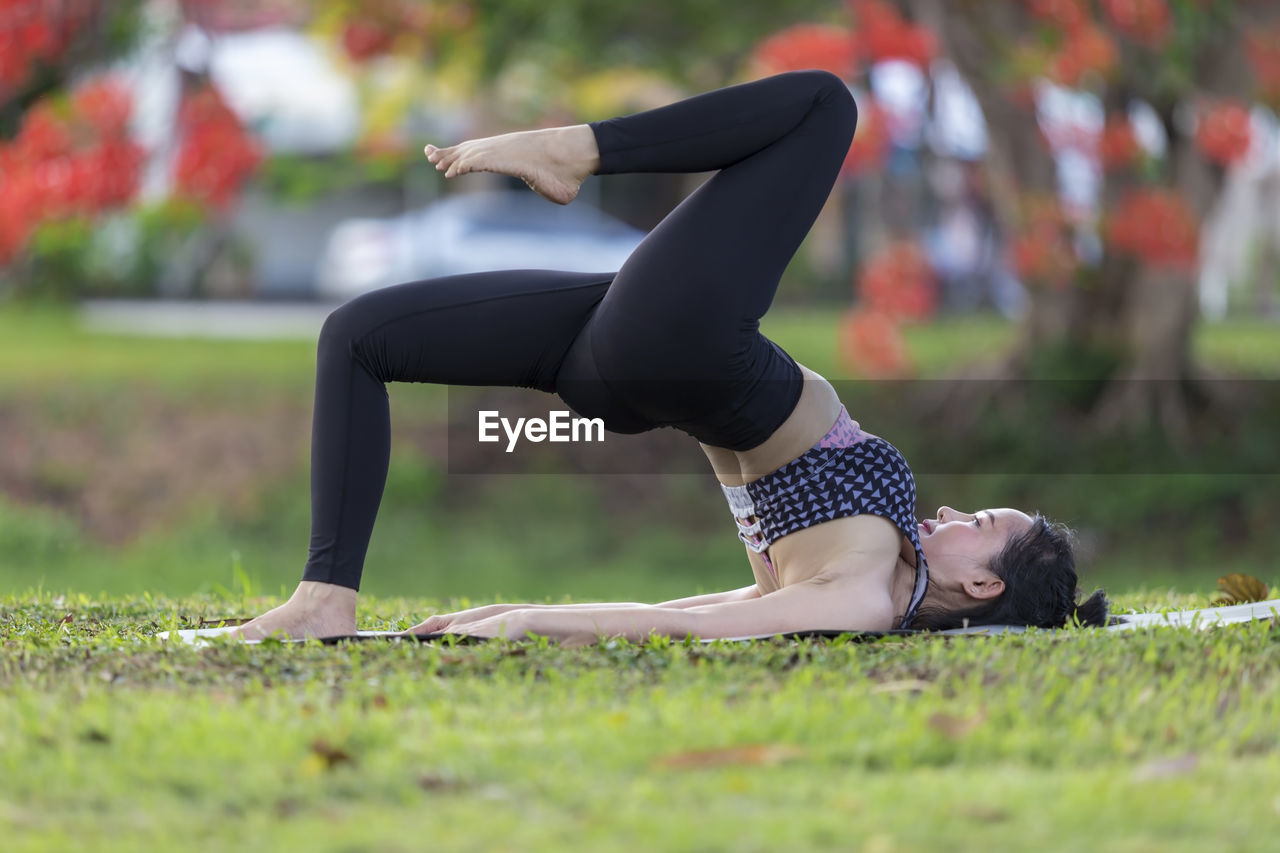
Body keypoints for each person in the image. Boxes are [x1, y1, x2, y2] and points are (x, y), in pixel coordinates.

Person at [227, 69, 1109, 645]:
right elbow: (700, 608)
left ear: (983, 579)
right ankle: (323, 599)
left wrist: (521, 625)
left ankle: (578, 149)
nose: (952, 510)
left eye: (977, 523)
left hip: (685, 349)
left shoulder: (863, 594)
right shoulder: (874, 575)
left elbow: (681, 630)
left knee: (824, 107)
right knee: (358, 335)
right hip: (624, 363)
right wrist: (499, 616)